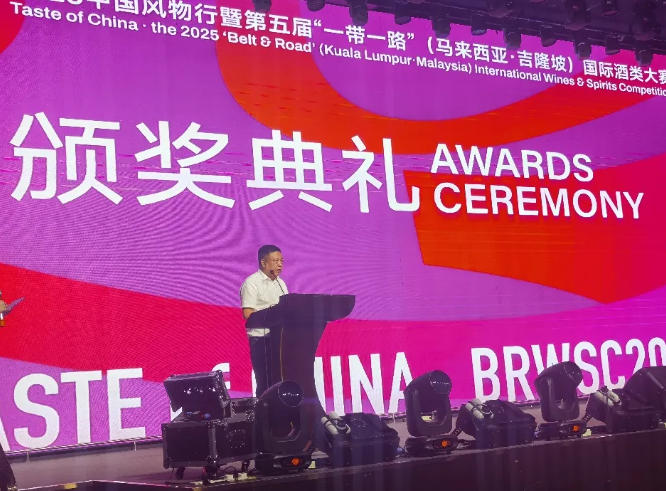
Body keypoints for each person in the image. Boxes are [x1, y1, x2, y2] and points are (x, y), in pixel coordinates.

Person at [239, 245, 288, 397]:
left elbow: (288, 309)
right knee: (265, 383)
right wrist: (272, 315)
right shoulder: (252, 283)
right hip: (261, 341)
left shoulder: (281, 283)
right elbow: (248, 314)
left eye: (281, 261)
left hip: (280, 341)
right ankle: (264, 410)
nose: (280, 264)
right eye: (275, 261)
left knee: (281, 382)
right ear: (263, 262)